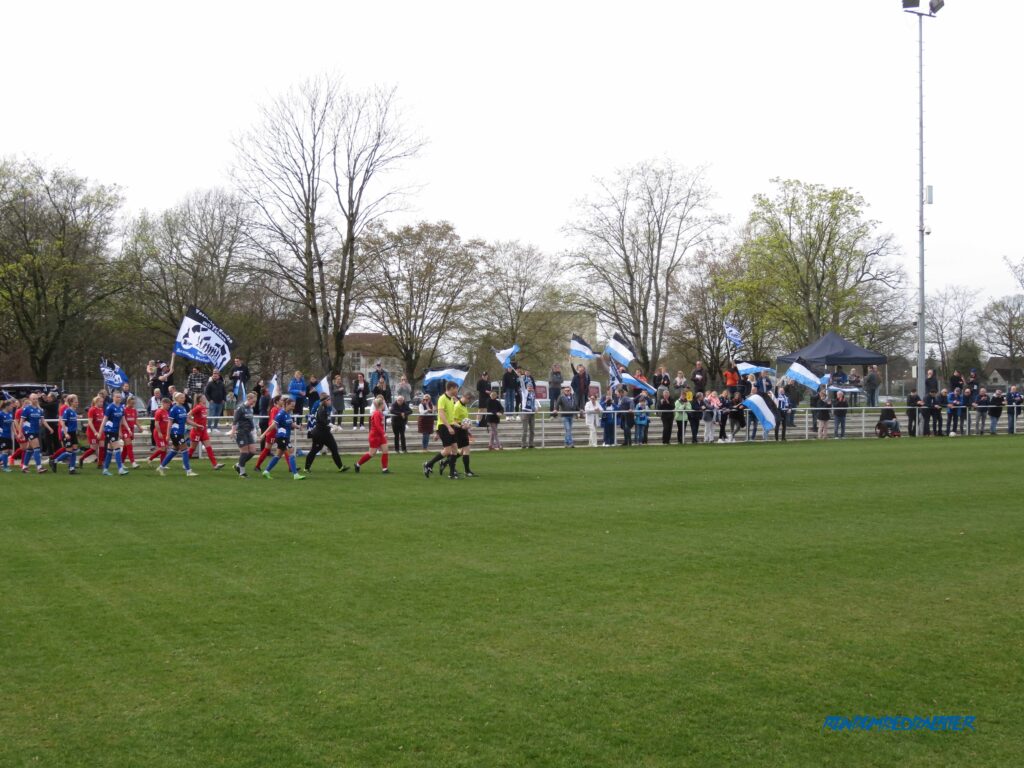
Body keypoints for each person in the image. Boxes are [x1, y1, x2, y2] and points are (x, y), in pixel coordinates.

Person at [259, 396, 305, 480]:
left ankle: (266, 471)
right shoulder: (281, 414)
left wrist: (298, 426)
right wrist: (264, 434)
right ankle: (295, 474)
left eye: (294, 406)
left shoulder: (287, 414)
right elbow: (273, 425)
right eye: (292, 406)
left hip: (285, 437)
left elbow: (291, 424)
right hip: (281, 437)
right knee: (291, 452)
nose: (293, 408)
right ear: (286, 404)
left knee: (278, 455)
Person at [423, 380, 461, 478]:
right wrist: (448, 427)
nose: (457, 390)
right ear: (452, 388)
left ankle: (452, 474)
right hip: (444, 427)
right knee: (447, 450)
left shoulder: (451, 399)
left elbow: (450, 416)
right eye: (456, 388)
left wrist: (456, 425)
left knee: (455, 450)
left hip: (450, 426)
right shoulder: (442, 398)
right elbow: (441, 414)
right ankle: (428, 464)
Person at [304, 392, 348, 473]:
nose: (330, 401)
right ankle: (306, 468)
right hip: (319, 434)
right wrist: (333, 427)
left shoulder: (326, 408)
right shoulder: (321, 409)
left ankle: (341, 467)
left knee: (334, 448)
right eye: (329, 400)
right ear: (325, 401)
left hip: (326, 433)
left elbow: (327, 421)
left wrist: (333, 427)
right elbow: (324, 422)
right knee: (314, 450)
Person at [157, 392, 198, 477]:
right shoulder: (174, 409)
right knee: (185, 449)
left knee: (174, 450)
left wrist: (196, 425)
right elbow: (170, 422)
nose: (184, 399)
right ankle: (188, 471)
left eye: (184, 397)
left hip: (180, 432)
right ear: (176, 399)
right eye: (181, 398)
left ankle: (161, 467)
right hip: (176, 432)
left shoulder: (183, 408)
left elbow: (187, 420)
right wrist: (168, 435)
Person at [16, 393, 54, 473]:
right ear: (30, 399)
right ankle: (39, 467)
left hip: (36, 430)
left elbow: (43, 421)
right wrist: (20, 433)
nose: (35, 400)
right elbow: (21, 421)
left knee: (29, 449)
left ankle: (24, 467)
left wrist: (49, 428)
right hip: (29, 431)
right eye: (33, 399)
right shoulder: (27, 409)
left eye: (36, 398)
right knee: (37, 448)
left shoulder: (39, 410)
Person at [187, 394, 224, 470]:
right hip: (196, 431)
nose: (205, 399)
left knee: (209, 448)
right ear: (200, 399)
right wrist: (195, 424)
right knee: (192, 449)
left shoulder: (204, 407)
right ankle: (185, 463)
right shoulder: (198, 407)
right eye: (203, 398)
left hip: (203, 431)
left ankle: (215, 464)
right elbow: (188, 416)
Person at [229, 391, 261, 478]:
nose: (254, 403)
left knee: (253, 451)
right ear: (248, 399)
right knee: (244, 452)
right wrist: (232, 431)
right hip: (241, 432)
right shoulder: (240, 408)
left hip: (248, 432)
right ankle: (242, 473)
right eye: (253, 401)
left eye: (255, 402)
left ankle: (238, 465)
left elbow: (251, 421)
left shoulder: (251, 409)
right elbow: (235, 421)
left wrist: (255, 429)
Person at [253, 395, 283, 472]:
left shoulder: (281, 409)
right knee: (267, 449)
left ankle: (291, 468)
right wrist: (278, 429)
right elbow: (273, 422)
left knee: (285, 448)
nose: (282, 401)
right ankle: (257, 466)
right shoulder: (274, 409)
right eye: (281, 400)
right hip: (273, 432)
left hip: (278, 432)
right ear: (277, 402)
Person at [451, 391, 476, 477]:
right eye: (469, 400)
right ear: (466, 397)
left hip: (463, 430)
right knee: (466, 449)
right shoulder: (457, 406)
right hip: (459, 430)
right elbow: (452, 420)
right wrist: (461, 426)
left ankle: (446, 462)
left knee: (462, 451)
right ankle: (467, 471)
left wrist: (467, 428)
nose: (469, 402)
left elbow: (463, 419)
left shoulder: (463, 405)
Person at [148, 397, 171, 464]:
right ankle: (150, 459)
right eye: (168, 405)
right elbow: (156, 423)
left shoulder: (166, 412)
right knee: (162, 448)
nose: (169, 406)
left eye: (169, 405)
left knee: (165, 449)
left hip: (164, 433)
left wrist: (167, 433)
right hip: (159, 433)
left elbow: (167, 423)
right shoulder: (159, 412)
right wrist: (159, 432)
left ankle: (162, 464)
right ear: (163, 403)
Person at [121, 394, 139, 468]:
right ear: (128, 402)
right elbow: (121, 421)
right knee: (129, 445)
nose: (133, 405)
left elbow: (135, 420)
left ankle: (121, 462)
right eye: (131, 403)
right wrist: (119, 431)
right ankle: (133, 462)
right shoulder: (124, 410)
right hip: (124, 430)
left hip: (131, 430)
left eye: (133, 403)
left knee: (126, 447)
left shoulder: (134, 410)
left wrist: (140, 427)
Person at [0, 398, 16, 472]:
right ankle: (5, 467)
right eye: (11, 406)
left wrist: (15, 433)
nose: (12, 408)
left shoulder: (10, 414)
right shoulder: (1, 414)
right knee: (5, 451)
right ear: (7, 406)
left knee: (9, 451)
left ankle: (4, 464)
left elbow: (12, 424)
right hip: (2, 435)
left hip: (9, 435)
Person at [521, 384, 537, 449]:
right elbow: (522, 385)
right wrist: (520, 377)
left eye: (531, 387)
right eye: (529, 387)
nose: (530, 388)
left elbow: (534, 402)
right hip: (525, 412)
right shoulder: (524, 392)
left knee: (532, 430)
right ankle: (523, 444)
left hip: (532, 412)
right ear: (527, 387)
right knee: (525, 430)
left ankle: (531, 444)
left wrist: (536, 408)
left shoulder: (533, 394)